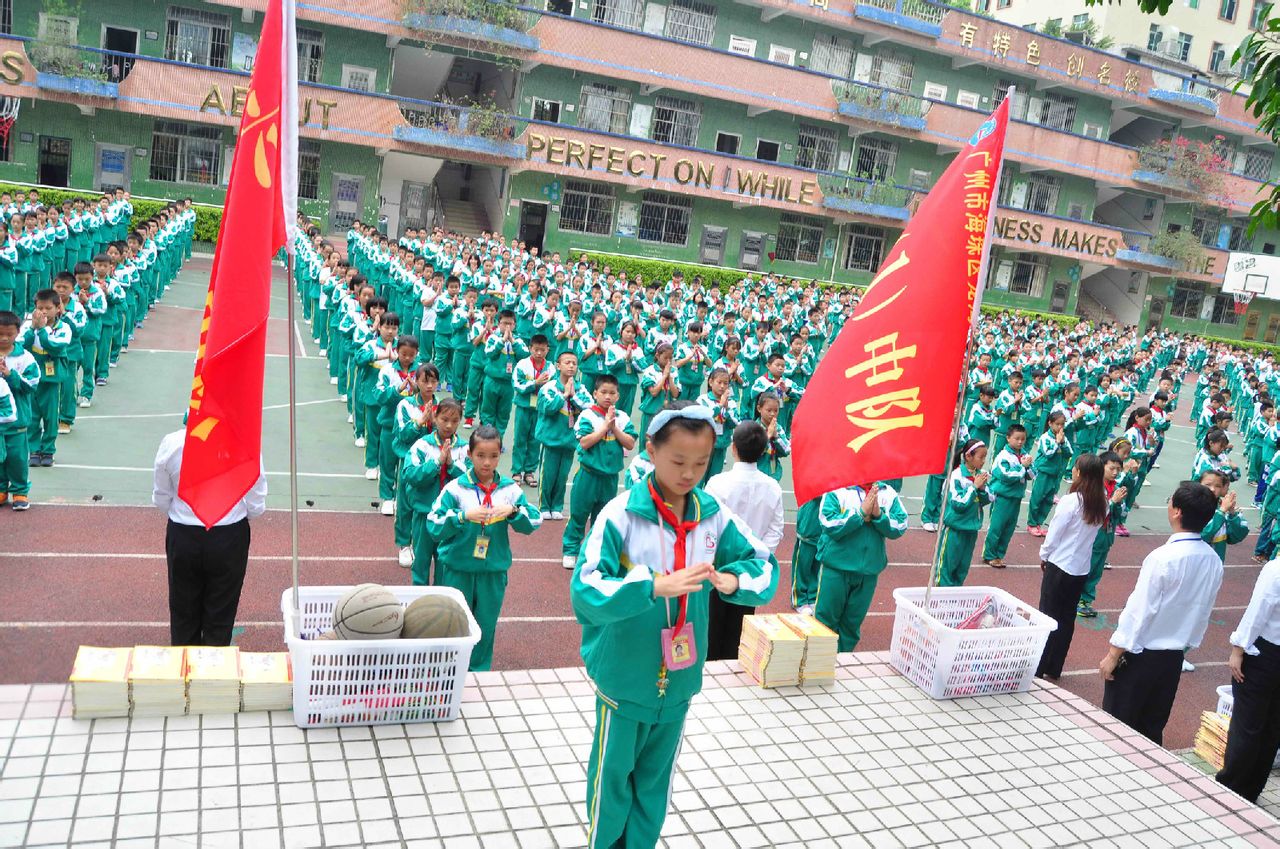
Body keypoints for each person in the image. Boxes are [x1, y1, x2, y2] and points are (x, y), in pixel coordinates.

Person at [569, 404, 778, 849]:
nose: (689, 474)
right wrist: (652, 586)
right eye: (679, 462)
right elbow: (586, 588)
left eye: (701, 464)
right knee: (611, 781)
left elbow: (763, 563)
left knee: (655, 786)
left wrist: (734, 578)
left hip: (679, 681)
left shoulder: (712, 514)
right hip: (624, 679)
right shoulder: (621, 515)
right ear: (651, 451)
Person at [1099, 481, 1223, 744]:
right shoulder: (1213, 560)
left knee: (1117, 729)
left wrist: (1113, 654)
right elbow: (1203, 610)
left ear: (1176, 511)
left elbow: (1139, 611)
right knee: (1151, 729)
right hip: (1172, 658)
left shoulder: (1163, 557)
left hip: (1140, 657)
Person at [426, 424, 541, 671]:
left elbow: (534, 520)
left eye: (493, 456)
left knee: (486, 625)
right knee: (454, 624)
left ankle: (478, 673)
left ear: (501, 454)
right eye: (480, 456)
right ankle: (448, 672)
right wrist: (463, 516)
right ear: (469, 454)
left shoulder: (509, 490)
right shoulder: (456, 488)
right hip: (458, 569)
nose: (487, 463)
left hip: (493, 571)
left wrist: (513, 511)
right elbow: (433, 524)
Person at [151, 427, 267, 646]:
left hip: (184, 532)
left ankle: (184, 671)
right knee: (221, 614)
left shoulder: (173, 442)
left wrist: (181, 513)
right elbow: (256, 494)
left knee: (183, 613)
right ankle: (213, 672)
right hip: (229, 532)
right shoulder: (243, 442)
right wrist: (240, 515)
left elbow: (161, 496)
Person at [703, 420, 784, 660]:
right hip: (749, 570)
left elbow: (707, 526)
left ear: (733, 448)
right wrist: (757, 557)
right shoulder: (772, 487)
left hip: (718, 566)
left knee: (711, 628)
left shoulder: (718, 483)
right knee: (739, 629)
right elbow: (776, 529)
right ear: (762, 452)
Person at [1035, 453, 1107, 680]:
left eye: (1076, 468)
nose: (1073, 471)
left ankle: (1039, 665)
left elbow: (1055, 533)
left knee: (1048, 614)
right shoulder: (1101, 502)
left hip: (1060, 565)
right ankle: (1054, 666)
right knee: (1066, 619)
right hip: (1080, 569)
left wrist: (1044, 554)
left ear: (1081, 473)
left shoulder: (1072, 501)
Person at [816, 479, 908, 652]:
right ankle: (819, 666)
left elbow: (901, 524)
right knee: (824, 622)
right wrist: (859, 514)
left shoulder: (887, 493)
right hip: (836, 569)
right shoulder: (837, 488)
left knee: (851, 624)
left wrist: (879, 517)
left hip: (868, 572)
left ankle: (843, 661)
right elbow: (828, 522)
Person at [1216, 558, 1280, 803]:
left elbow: (1258, 611)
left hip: (1265, 653)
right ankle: (1253, 788)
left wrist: (1238, 647)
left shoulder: (1275, 570)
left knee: (1247, 725)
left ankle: (1231, 787)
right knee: (1272, 725)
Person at [561, 374, 637, 569]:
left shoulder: (622, 417)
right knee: (578, 514)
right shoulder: (587, 415)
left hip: (610, 477)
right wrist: (604, 427)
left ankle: (594, 553)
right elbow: (584, 442)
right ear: (595, 394)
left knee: (602, 517)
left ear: (618, 396)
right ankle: (570, 550)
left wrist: (615, 428)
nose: (608, 397)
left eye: (612, 393)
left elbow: (630, 442)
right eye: (603, 392)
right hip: (588, 474)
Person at [937, 438, 989, 587]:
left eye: (985, 457)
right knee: (947, 567)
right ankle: (941, 600)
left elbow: (989, 498)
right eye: (981, 457)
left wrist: (982, 489)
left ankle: (955, 597)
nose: (983, 461)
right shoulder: (956, 476)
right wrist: (974, 487)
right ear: (968, 456)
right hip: (955, 529)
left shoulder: (979, 475)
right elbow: (958, 503)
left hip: (971, 529)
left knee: (962, 568)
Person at [0, 310, 39, 509]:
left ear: (17, 333)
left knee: (17, 458)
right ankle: (1, 489)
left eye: (9, 334)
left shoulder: (24, 358)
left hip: (16, 421)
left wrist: (10, 374)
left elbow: (31, 384)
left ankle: (20, 491)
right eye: (0, 334)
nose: (5, 338)